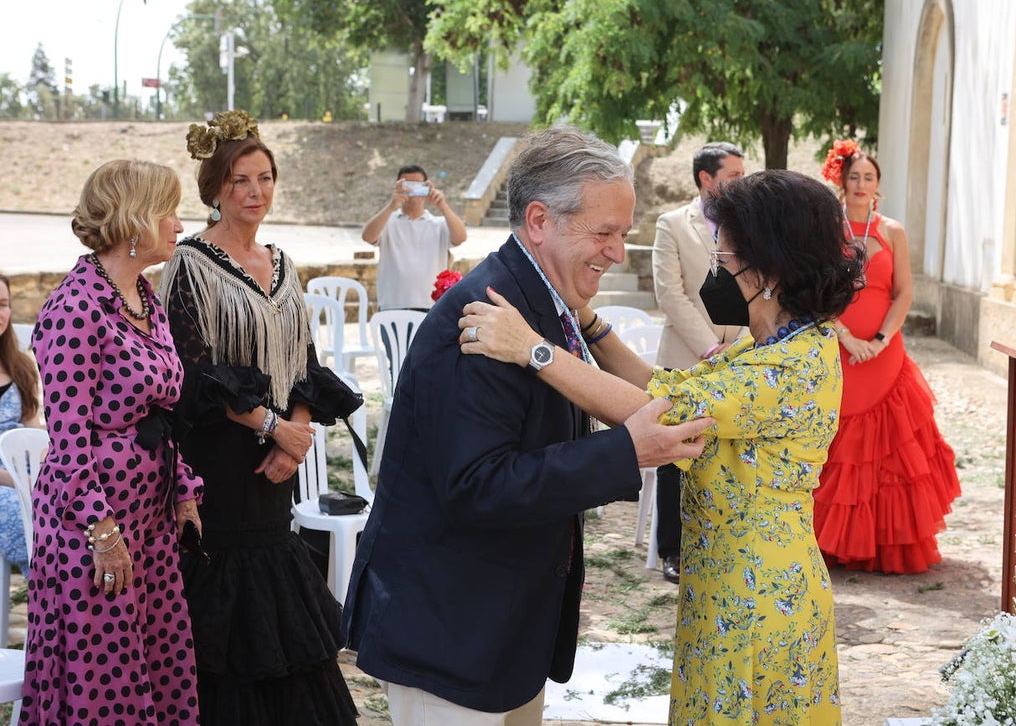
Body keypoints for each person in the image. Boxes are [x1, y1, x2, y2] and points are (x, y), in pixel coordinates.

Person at [459, 168, 864, 726]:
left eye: (723, 262)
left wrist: (533, 350)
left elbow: (651, 414)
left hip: (757, 596)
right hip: (726, 580)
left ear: (767, 271)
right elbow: (661, 387)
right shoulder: (769, 343)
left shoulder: (786, 370)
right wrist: (588, 321)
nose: (715, 275)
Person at [342, 126, 714, 726]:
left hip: (502, 628)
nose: (618, 252)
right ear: (540, 220)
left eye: (623, 233)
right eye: (605, 233)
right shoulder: (484, 317)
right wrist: (624, 452)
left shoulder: (541, 300)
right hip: (451, 632)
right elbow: (477, 485)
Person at [159, 110, 360, 726]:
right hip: (218, 457)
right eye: (242, 180)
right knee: (224, 590)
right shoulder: (189, 265)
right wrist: (271, 429)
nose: (256, 192)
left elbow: (304, 358)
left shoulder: (283, 261)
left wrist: (295, 437)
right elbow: (193, 372)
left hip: (279, 457)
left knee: (278, 584)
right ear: (216, 188)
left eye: (266, 177)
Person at [21, 160, 203, 725]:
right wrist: (103, 533)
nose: (178, 223)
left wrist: (184, 492)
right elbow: (70, 439)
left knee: (157, 661)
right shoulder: (75, 308)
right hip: (91, 528)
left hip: (147, 519)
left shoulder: (144, 296)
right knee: (103, 680)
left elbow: (162, 412)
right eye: (167, 211)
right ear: (133, 221)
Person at [812, 140, 960, 574]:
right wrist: (846, 338)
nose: (861, 184)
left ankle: (884, 545)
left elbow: (904, 293)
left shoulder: (892, 230)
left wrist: (878, 339)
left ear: (879, 185)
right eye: (854, 177)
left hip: (884, 353)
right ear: (842, 180)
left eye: (869, 178)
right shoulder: (825, 229)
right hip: (838, 350)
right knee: (840, 445)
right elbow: (816, 293)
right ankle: (829, 542)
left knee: (890, 448)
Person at [650, 141, 747, 584]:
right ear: (706, 179)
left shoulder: (747, 225)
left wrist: (743, 345)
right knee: (673, 455)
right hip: (686, 358)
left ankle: (719, 541)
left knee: (725, 449)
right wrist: (711, 348)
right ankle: (671, 550)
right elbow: (671, 294)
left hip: (739, 356)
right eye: (732, 176)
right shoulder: (671, 224)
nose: (740, 184)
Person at [361, 163, 468, 310]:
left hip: (432, 306)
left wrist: (443, 206)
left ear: (427, 188)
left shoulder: (439, 223)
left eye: (419, 186)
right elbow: (367, 236)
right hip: (392, 305)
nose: (413, 191)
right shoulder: (387, 222)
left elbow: (461, 237)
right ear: (398, 187)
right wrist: (392, 205)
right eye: (408, 185)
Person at [0, 273, 41, 576]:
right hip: (6, 483)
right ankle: (44, 591)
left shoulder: (20, 365)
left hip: (22, 471)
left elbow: (32, 430)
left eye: (3, 304)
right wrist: (16, 480)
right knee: (20, 511)